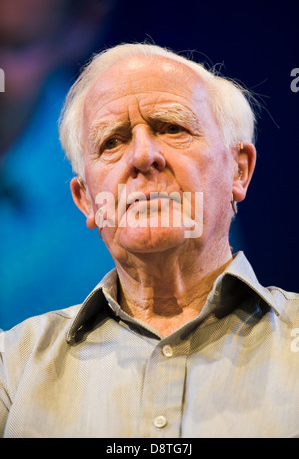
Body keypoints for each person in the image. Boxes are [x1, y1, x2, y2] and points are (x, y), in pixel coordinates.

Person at [1, 43, 299, 438]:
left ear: (239, 171)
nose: (143, 157)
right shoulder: (12, 367)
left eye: (172, 128)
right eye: (112, 141)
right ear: (87, 200)